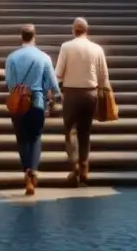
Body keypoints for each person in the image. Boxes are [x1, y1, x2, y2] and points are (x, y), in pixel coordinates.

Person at [5, 24, 60, 196]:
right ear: (34, 36)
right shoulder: (43, 57)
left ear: (21, 37)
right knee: (35, 137)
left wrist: (18, 90)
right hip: (37, 102)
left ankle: (26, 172)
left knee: (22, 139)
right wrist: (55, 96)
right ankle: (33, 171)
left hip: (19, 102)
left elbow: (9, 82)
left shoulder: (12, 57)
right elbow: (52, 82)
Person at [55, 17, 110, 186]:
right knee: (84, 132)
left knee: (70, 131)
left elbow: (58, 74)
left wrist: (53, 92)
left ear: (73, 30)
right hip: (90, 94)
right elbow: (103, 76)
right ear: (87, 30)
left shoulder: (66, 47)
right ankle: (85, 167)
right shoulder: (97, 49)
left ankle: (74, 167)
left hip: (71, 94)